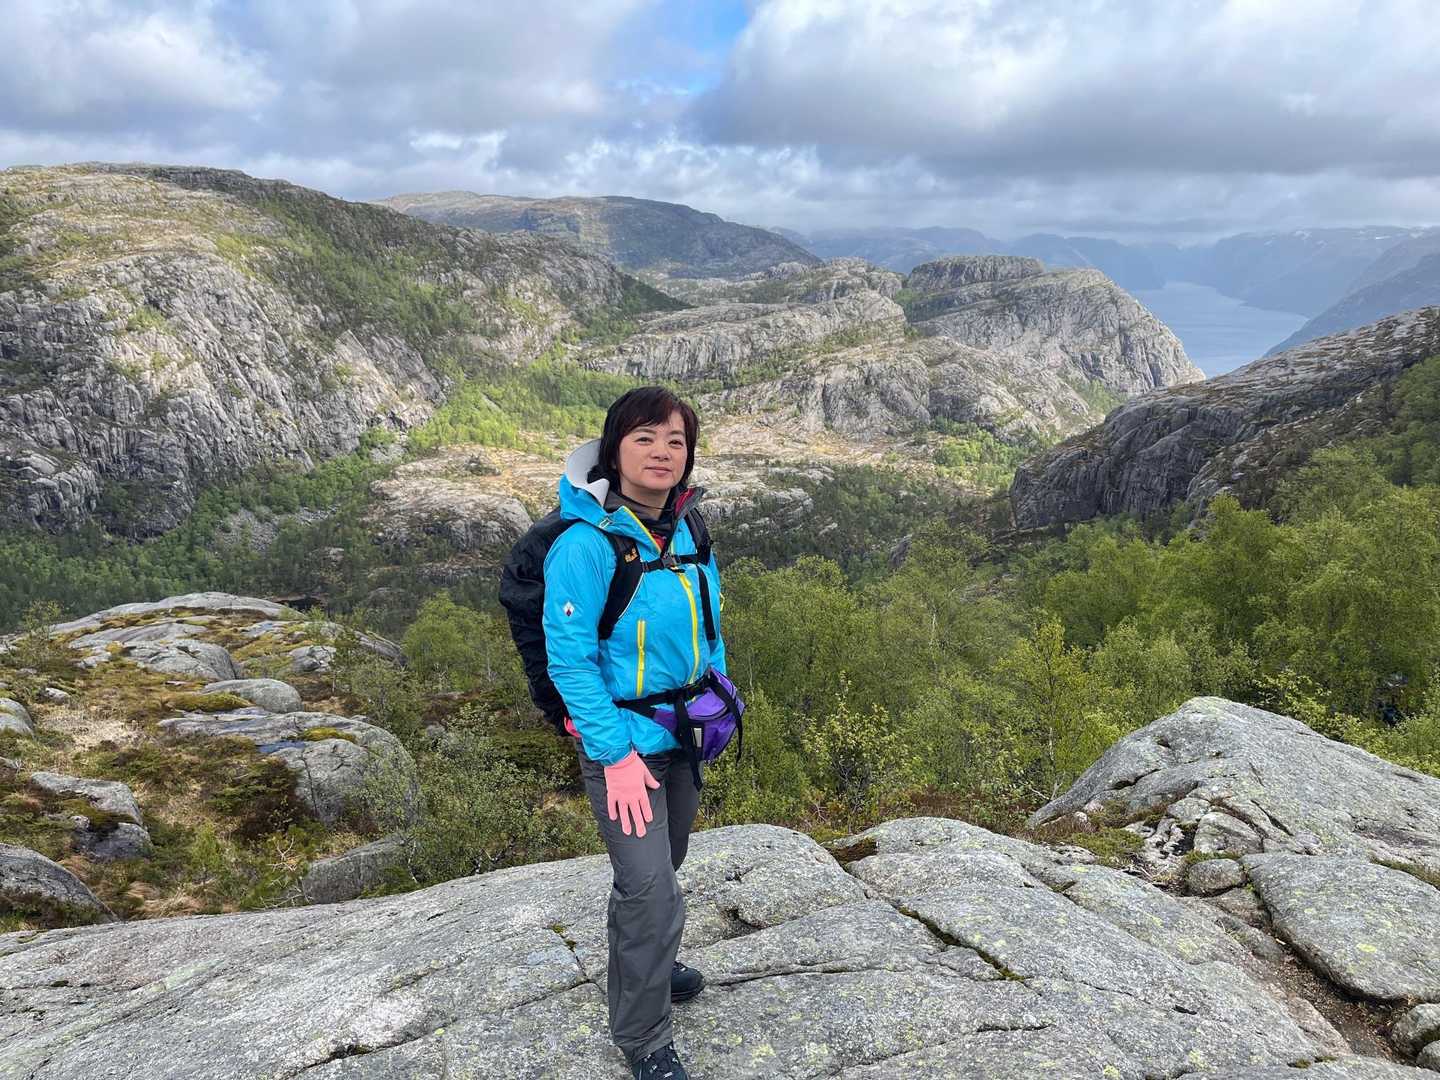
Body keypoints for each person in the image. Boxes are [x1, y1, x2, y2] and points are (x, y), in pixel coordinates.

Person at [542, 386, 726, 1080]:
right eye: (645, 437)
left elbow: (710, 626)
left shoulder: (689, 529)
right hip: (622, 747)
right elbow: (570, 663)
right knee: (648, 886)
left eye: (676, 441)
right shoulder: (584, 547)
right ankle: (644, 1039)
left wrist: (718, 696)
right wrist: (614, 757)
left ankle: (651, 959)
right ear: (613, 450)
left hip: (681, 736)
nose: (662, 452)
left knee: (665, 865)